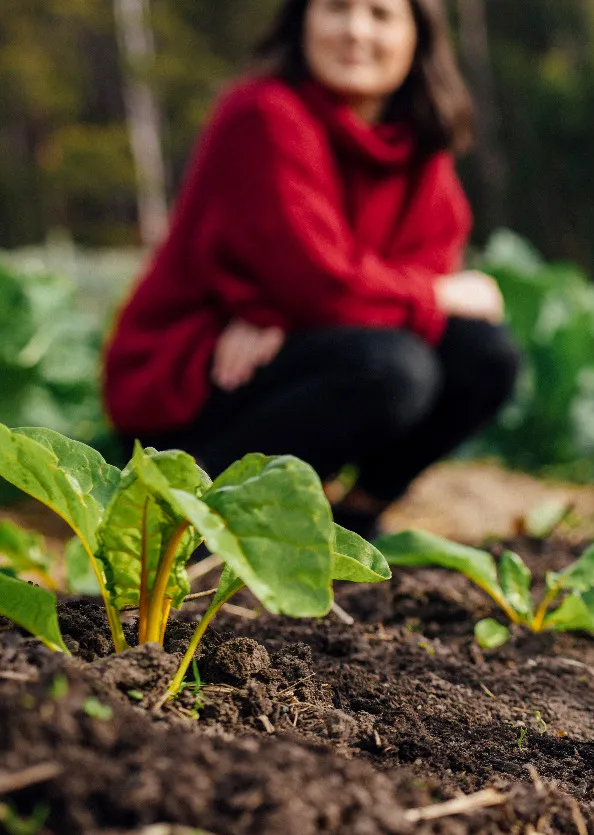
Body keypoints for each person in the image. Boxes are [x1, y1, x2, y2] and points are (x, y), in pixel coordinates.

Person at [103, 0, 517, 538]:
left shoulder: (418, 142)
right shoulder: (263, 112)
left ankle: (355, 517)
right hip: (192, 376)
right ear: (303, 22)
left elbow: (408, 263)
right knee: (392, 369)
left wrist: (294, 312)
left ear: (418, 35)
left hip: (294, 350)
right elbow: (314, 281)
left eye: (380, 14)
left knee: (483, 354)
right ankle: (189, 516)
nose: (355, 30)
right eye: (336, 8)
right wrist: (432, 296)